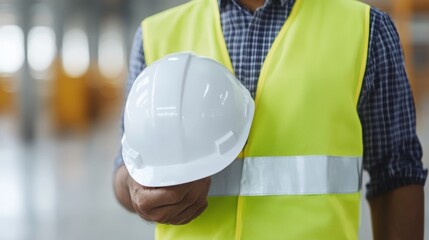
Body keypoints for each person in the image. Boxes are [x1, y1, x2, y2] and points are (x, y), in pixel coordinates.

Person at [113, 0, 427, 239]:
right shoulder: (156, 35)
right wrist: (135, 187)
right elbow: (124, 170)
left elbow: (397, 175)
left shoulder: (366, 30)